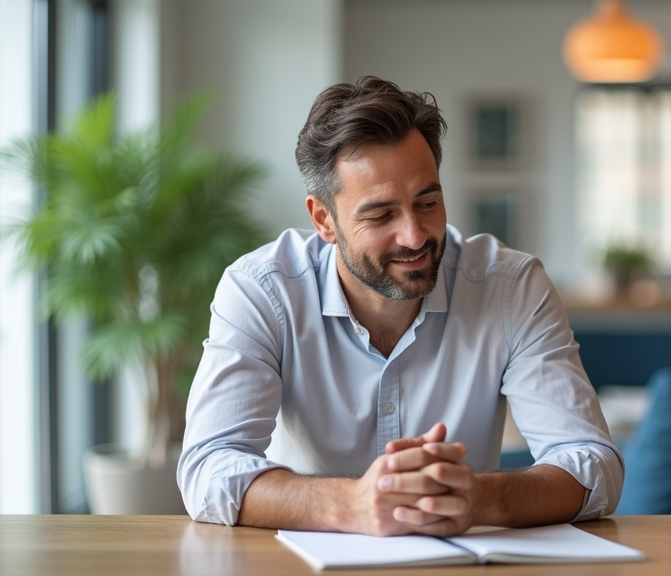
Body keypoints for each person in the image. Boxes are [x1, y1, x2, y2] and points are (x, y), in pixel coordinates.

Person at [177, 76, 622, 537]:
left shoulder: (510, 287)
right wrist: (352, 504)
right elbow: (209, 469)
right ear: (323, 220)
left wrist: (483, 498)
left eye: (427, 202)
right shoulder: (262, 291)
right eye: (381, 215)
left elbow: (594, 465)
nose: (414, 235)